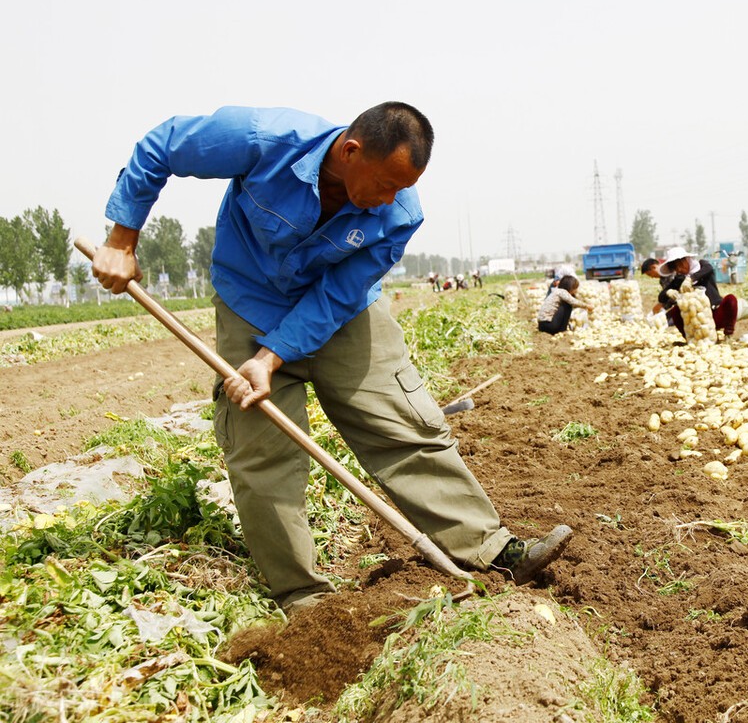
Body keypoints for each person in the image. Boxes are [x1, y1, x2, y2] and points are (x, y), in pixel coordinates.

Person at [91, 103, 572, 612]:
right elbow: (162, 146)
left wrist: (272, 358)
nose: (391, 199)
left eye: (402, 189)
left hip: (341, 313)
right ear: (350, 152)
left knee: (403, 423)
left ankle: (492, 550)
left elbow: (337, 295)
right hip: (250, 303)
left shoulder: (399, 213)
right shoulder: (265, 139)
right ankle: (302, 597)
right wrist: (122, 238)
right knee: (262, 449)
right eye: (386, 184)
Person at [655, 247, 738, 339]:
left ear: (687, 260)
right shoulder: (679, 279)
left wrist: (691, 278)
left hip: (715, 314)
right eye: (675, 268)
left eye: (680, 265)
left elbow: (709, 268)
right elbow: (661, 297)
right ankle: (690, 339)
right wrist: (668, 292)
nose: (679, 269)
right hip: (695, 322)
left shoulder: (702, 266)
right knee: (675, 310)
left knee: (731, 299)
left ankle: (728, 334)